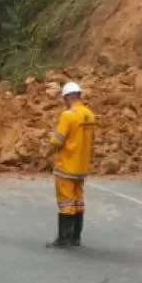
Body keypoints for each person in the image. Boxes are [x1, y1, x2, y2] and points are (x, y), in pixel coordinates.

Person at [45, 81, 97, 248]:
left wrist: (47, 153)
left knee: (66, 202)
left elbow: (58, 140)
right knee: (78, 201)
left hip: (67, 165)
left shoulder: (68, 115)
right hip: (81, 166)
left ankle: (63, 238)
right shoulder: (90, 115)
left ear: (67, 97)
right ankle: (76, 237)